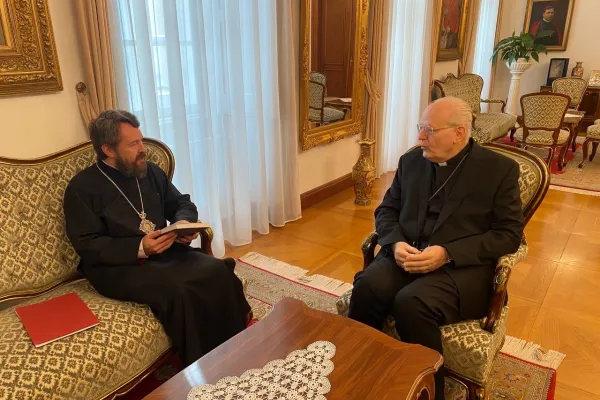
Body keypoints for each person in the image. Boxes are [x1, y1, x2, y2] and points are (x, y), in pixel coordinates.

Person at [348, 97, 524, 399]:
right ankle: (362, 366)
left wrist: (448, 253)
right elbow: (386, 211)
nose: (420, 137)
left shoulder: (499, 170)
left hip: (461, 269)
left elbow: (509, 235)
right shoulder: (411, 162)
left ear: (459, 132)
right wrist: (396, 242)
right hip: (407, 254)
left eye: (429, 130)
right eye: (420, 127)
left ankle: (431, 390)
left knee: (411, 303)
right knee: (368, 287)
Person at [63, 109, 251, 367]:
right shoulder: (81, 188)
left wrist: (183, 225)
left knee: (218, 269)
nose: (143, 149)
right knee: (181, 289)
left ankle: (237, 347)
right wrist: (140, 247)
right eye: (133, 144)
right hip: (117, 266)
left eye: (141, 140)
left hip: (164, 252)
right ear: (108, 149)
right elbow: (87, 244)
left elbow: (181, 203)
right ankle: (203, 366)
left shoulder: (149, 171)